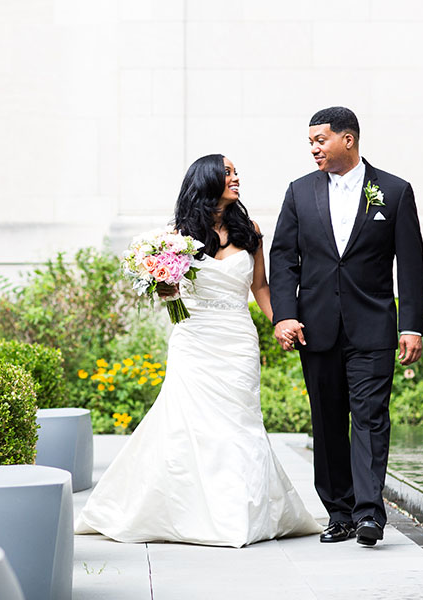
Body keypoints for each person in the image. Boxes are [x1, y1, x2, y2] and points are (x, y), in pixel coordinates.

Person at [74, 154, 321, 547]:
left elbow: (260, 286)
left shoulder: (251, 229)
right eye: (228, 173)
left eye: (236, 171)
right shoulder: (175, 236)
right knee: (187, 421)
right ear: (207, 180)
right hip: (193, 338)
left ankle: (241, 513)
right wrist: (163, 287)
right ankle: (187, 512)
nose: (236, 177)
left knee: (239, 422)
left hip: (237, 338)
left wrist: (279, 320)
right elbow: (163, 289)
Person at [269, 107, 423, 547]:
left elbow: (410, 263)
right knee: (328, 421)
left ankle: (369, 514)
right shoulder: (299, 193)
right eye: (311, 142)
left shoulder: (394, 192)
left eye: (320, 140)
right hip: (315, 329)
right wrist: (284, 314)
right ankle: (338, 512)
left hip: (373, 327)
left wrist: (412, 325)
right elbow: (283, 258)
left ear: (348, 139)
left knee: (371, 419)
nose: (314, 148)